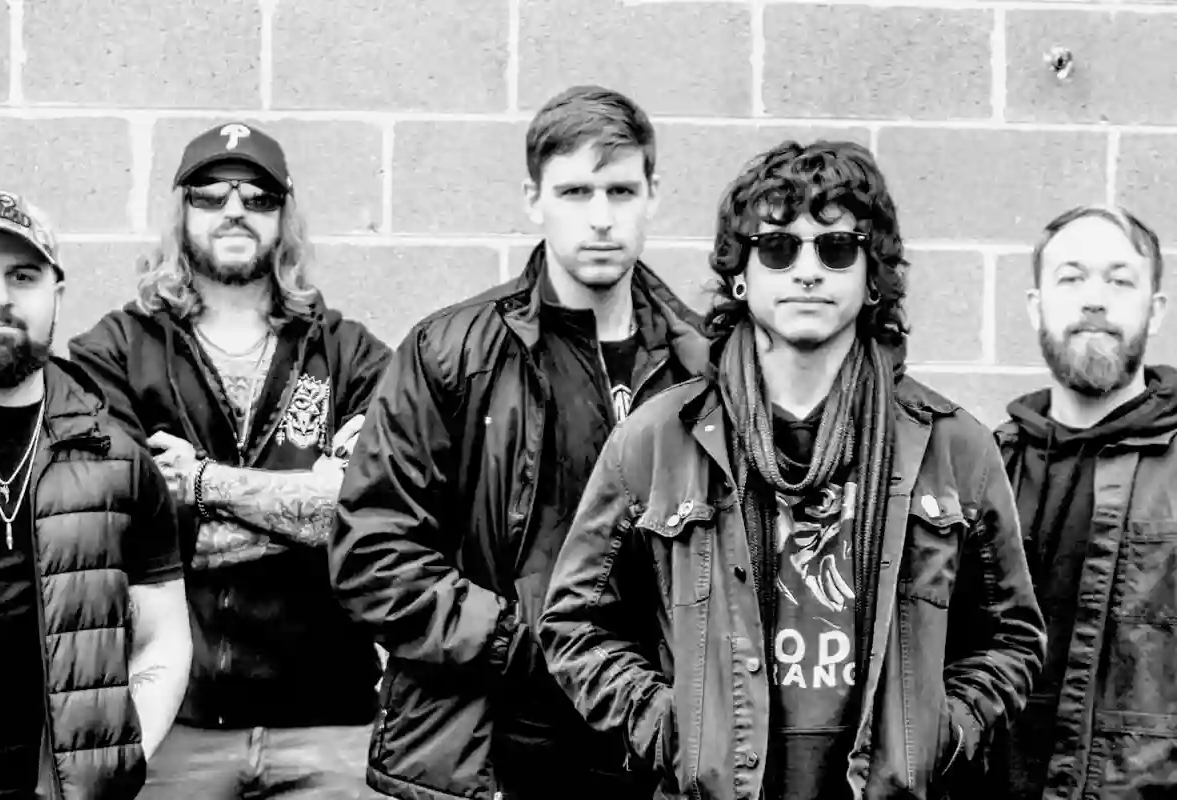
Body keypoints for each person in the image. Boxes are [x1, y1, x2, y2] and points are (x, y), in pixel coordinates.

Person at [538, 140, 1049, 800]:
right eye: (778, 248)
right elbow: (574, 623)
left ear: (872, 276)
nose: (807, 270)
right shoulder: (659, 439)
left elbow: (1012, 637)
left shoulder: (952, 446)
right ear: (742, 274)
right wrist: (674, 732)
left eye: (836, 248)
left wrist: (937, 735)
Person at [327, 85, 709, 800]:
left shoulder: (705, 367)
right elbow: (373, 555)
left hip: (656, 748)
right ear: (534, 200)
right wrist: (527, 644)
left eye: (621, 191)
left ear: (653, 195)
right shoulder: (449, 353)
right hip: (495, 743)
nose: (601, 217)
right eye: (575, 192)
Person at [66, 122, 393, 799]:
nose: (235, 210)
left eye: (258, 197)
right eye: (211, 196)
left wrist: (199, 484)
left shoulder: (353, 356)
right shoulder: (115, 352)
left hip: (330, 723)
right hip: (172, 721)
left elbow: (361, 516)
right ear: (179, 213)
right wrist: (301, 504)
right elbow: (122, 528)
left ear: (286, 217)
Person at [0, 190, 191, 799]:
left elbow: (162, 635)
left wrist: (114, 764)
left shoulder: (113, 455)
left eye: (23, 276)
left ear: (56, 293)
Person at [983, 205, 1177, 799]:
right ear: (1036, 305)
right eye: (1071, 278)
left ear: (1156, 309)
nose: (1094, 300)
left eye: (1120, 280)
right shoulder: (986, 466)